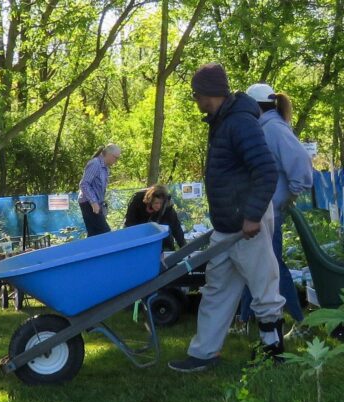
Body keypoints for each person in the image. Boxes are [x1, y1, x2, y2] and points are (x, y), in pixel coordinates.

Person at [168, 63, 285, 373]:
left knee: (263, 289)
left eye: (195, 94)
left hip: (248, 222)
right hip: (227, 225)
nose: (195, 99)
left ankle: (273, 352)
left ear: (208, 93)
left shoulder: (241, 123)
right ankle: (204, 353)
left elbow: (266, 170)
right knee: (216, 289)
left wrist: (252, 216)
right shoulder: (222, 121)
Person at [238, 83, 314, 336]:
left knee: (273, 267)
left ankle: (301, 322)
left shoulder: (273, 128)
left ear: (255, 106)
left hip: (270, 211)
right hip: (260, 210)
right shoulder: (266, 126)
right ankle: (244, 321)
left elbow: (301, 163)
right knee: (254, 265)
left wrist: (290, 195)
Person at [124, 184, 186, 250]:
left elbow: (176, 228)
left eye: (161, 203)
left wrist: (185, 248)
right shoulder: (137, 201)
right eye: (156, 203)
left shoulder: (167, 207)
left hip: (161, 236)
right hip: (139, 233)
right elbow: (129, 224)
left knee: (167, 237)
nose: (158, 206)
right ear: (150, 201)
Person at [78, 144, 121, 236]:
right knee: (105, 233)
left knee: (95, 235)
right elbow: (84, 184)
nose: (116, 161)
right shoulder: (95, 164)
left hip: (96, 204)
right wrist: (94, 203)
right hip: (88, 203)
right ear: (109, 154)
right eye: (116, 158)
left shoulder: (105, 168)